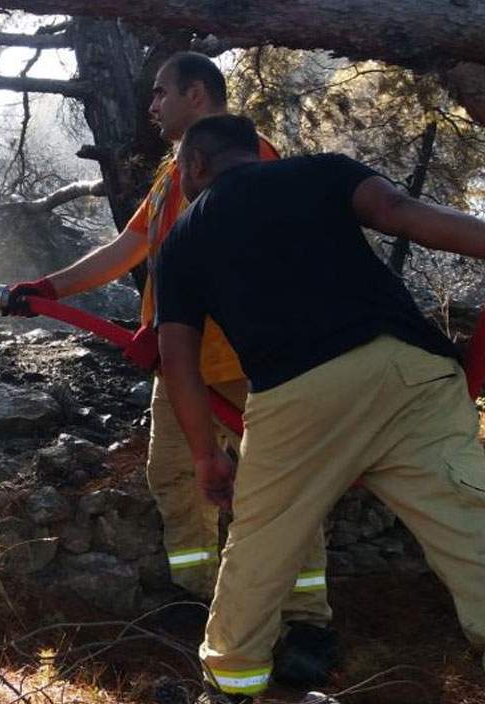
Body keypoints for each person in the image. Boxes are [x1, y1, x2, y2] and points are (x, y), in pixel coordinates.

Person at [9, 51, 333, 675]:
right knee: (175, 479)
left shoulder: (249, 158)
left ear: (197, 93)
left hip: (249, 362)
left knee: (276, 490)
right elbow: (129, 246)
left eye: (161, 93)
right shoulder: (173, 174)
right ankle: (209, 598)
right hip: (181, 367)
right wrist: (48, 289)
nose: (151, 106)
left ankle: (306, 624)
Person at [155, 113, 485, 703]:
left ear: (197, 164)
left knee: (261, 544)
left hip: (301, 392)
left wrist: (206, 457)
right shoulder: (322, 171)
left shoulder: (184, 237)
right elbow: (404, 215)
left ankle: (230, 687)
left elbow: (177, 358)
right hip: (413, 372)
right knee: (471, 523)